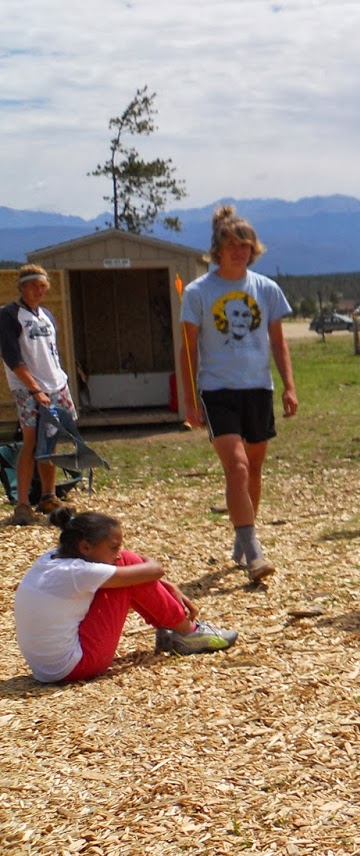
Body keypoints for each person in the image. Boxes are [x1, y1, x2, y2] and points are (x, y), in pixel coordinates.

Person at [179, 204, 298, 582]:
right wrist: (190, 397)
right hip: (218, 391)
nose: (238, 252)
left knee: (254, 470)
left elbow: (279, 344)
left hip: (258, 389)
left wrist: (289, 387)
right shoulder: (199, 292)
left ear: (253, 249)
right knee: (237, 466)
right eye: (231, 245)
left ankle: (241, 537)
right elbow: (187, 348)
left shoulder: (267, 289)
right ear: (217, 249)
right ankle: (254, 552)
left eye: (244, 246)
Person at [13, 505, 238, 683]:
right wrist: (151, 571)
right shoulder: (80, 572)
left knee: (126, 570)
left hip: (45, 670)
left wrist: (159, 584)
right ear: (85, 547)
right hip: (75, 667)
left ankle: (172, 628)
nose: (117, 553)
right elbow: (155, 569)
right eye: (113, 547)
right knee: (128, 563)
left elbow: (146, 576)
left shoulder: (53, 560)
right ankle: (188, 632)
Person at [2, 265, 75, 526]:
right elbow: (13, 357)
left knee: (50, 442)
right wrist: (34, 388)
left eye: (43, 286)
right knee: (30, 442)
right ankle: (22, 504)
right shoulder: (10, 315)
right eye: (33, 285)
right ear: (21, 286)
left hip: (56, 385)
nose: (38, 290)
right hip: (28, 388)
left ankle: (48, 495)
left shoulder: (47, 316)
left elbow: (51, 353)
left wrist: (59, 383)